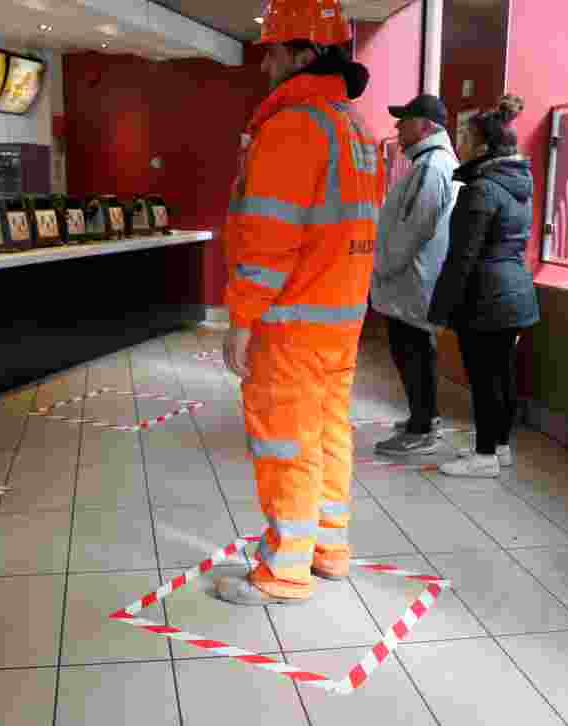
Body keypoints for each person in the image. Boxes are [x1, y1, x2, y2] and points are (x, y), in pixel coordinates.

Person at [217, 0, 385, 605]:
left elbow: (268, 237)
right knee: (328, 434)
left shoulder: (294, 126)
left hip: (290, 322)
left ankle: (283, 572)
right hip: (340, 321)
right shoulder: (355, 129)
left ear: (303, 54)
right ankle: (327, 548)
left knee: (286, 441)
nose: (266, 64)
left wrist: (241, 317)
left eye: (273, 51)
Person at [429, 95, 539, 477]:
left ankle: (484, 455)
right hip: (516, 294)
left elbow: (463, 256)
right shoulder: (519, 182)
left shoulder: (481, 190)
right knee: (501, 374)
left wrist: (440, 310)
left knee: (483, 377)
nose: (458, 143)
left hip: (486, 297)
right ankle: (500, 446)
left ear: (482, 146)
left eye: (464, 136)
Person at [370, 95, 461, 456]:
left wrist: (382, 266)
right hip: (411, 279)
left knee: (413, 352)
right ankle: (422, 419)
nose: (397, 127)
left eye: (404, 120)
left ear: (426, 127)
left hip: (411, 279)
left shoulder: (432, 167)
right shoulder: (430, 163)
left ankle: (422, 428)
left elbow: (413, 229)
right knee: (414, 351)